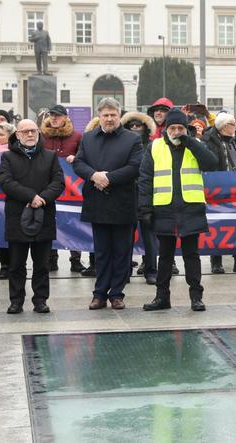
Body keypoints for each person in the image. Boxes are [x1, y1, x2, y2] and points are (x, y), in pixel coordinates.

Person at [138, 108, 218, 311]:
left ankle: (196, 297)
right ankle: (162, 297)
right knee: (164, 256)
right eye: (172, 128)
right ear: (166, 129)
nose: (176, 132)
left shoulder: (196, 145)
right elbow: (145, 179)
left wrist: (190, 141)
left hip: (190, 209)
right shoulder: (155, 146)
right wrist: (145, 209)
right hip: (164, 209)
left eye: (180, 128)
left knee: (192, 255)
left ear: (186, 129)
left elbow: (211, 164)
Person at [73, 97, 142, 310]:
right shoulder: (88, 138)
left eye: (113, 114)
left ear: (119, 116)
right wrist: (94, 176)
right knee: (101, 252)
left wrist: (108, 178)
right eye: (105, 115)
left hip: (123, 203)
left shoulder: (132, 139)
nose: (109, 118)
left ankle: (117, 294)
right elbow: (78, 162)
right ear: (99, 116)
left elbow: (135, 167)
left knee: (122, 252)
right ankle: (99, 294)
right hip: (98, 202)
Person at [0, 119, 65, 314]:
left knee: (42, 264)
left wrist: (41, 199)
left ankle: (40, 300)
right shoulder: (8, 157)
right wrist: (30, 196)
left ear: (38, 133)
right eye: (25, 131)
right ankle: (16, 301)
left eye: (33, 131)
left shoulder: (50, 156)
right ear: (17, 134)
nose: (29, 134)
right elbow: (5, 182)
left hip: (44, 215)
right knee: (16, 264)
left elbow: (58, 182)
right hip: (17, 217)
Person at [40, 104, 89, 273]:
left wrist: (75, 158)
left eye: (58, 115)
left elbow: (83, 157)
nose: (54, 118)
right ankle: (51, 259)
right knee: (50, 220)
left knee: (72, 220)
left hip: (71, 187)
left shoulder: (76, 136)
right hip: (47, 185)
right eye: (52, 115)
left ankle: (75, 259)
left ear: (65, 117)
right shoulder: (42, 135)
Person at [202, 112, 236, 274]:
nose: (235, 127)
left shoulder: (235, 141)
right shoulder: (210, 141)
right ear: (224, 127)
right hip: (217, 187)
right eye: (232, 124)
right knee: (218, 224)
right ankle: (216, 261)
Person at [121, 110, 158, 285]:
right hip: (127, 194)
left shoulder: (152, 147)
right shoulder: (121, 146)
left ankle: (151, 270)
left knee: (150, 235)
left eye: (139, 126)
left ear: (145, 128)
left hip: (148, 194)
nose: (135, 128)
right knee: (126, 236)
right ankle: (125, 270)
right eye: (131, 126)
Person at [0, 113, 13, 279]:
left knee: (5, 235)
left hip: (8, 201)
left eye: (2, 135)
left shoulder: (14, 153)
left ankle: (6, 265)